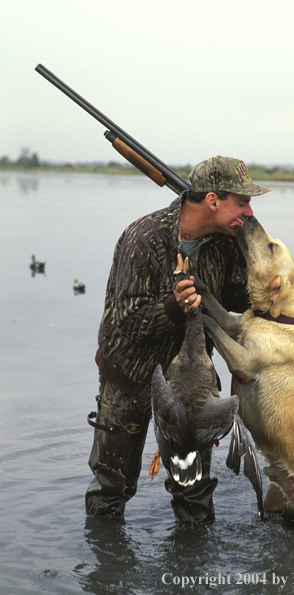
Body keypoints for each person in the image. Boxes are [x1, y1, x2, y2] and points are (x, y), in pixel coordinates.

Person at [85, 155, 270, 520]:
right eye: (243, 202)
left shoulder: (224, 242)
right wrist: (174, 305)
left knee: (194, 493)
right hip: (130, 381)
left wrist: (272, 288)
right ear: (213, 200)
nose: (249, 212)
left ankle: (191, 574)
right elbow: (129, 325)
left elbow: (236, 296)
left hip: (191, 388)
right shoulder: (145, 238)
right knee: (111, 489)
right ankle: (106, 573)